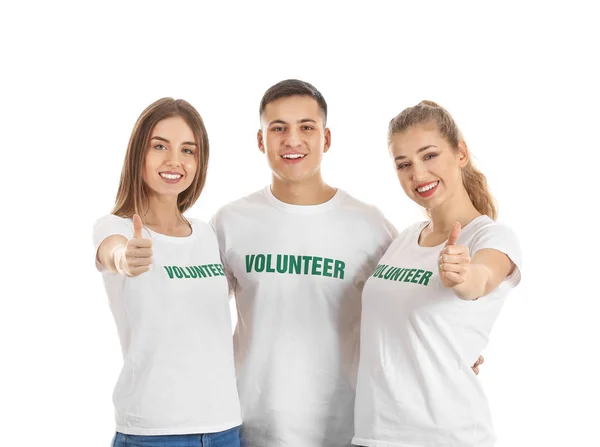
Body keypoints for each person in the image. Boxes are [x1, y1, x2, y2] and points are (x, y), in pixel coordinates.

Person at [210, 80, 398, 446]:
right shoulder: (230, 222)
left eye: (306, 127)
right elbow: (197, 315)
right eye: (278, 128)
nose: (292, 140)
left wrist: (455, 349)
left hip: (344, 429)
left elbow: (404, 310)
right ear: (261, 141)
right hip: (248, 427)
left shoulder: (372, 226)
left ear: (326, 139)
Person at [352, 100, 522, 447]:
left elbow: (481, 279)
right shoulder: (402, 239)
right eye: (404, 164)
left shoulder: (491, 237)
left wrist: (464, 275)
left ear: (461, 153)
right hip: (373, 435)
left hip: (445, 437)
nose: (418, 174)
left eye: (429, 156)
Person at [93, 98, 241, 447]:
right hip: (153, 431)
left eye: (188, 150)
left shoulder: (207, 234)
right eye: (160, 146)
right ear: (138, 154)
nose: (175, 160)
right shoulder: (116, 227)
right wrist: (125, 258)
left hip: (225, 427)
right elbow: (112, 253)